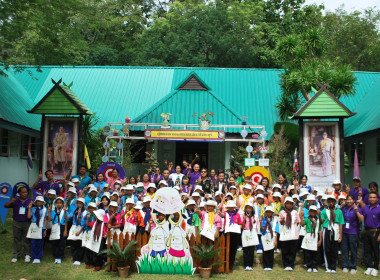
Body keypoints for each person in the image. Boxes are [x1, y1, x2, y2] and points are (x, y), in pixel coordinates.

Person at [5, 186, 33, 263]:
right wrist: (11, 201)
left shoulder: (30, 201)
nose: (25, 194)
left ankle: (27, 254)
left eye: (26, 192)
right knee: (17, 238)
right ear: (19, 193)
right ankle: (16, 255)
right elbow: (5, 205)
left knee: (27, 239)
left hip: (27, 222)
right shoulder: (15, 201)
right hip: (16, 222)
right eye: (23, 192)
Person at [356, 192, 380, 277]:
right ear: (368, 198)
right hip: (366, 232)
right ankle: (369, 266)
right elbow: (361, 217)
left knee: (376, 251)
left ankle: (375, 268)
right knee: (367, 250)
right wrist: (356, 209)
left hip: (376, 232)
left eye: (374, 197)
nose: (372, 199)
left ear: (377, 199)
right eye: (370, 197)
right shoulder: (366, 208)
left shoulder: (379, 208)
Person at [321, 195, 344, 273]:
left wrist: (340, 235)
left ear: (335, 202)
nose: (331, 203)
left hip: (336, 230)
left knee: (334, 249)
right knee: (326, 248)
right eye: (329, 201)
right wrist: (318, 214)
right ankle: (328, 267)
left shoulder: (339, 211)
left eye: (332, 201)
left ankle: (333, 267)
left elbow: (341, 223)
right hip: (327, 229)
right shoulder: (324, 211)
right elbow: (322, 221)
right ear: (327, 202)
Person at [218, 200, 242, 271]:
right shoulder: (225, 213)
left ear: (234, 207)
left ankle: (230, 266)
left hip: (235, 234)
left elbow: (240, 224)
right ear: (227, 207)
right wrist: (221, 201)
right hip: (227, 233)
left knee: (233, 250)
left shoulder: (237, 214)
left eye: (232, 207)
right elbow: (220, 213)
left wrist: (237, 228)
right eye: (229, 207)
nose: (231, 208)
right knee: (225, 249)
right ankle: (225, 265)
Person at [279, 197, 300, 271]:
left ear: (292, 204)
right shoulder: (282, 212)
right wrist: (282, 220)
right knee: (285, 250)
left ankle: (291, 264)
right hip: (285, 233)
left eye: (290, 203)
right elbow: (281, 223)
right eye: (287, 203)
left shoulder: (295, 212)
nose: (288, 205)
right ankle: (286, 264)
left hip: (293, 234)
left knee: (292, 250)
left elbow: (297, 222)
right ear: (285, 204)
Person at [341, 195, 360, 274]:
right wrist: (341, 205)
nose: (349, 201)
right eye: (347, 199)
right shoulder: (344, 209)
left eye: (350, 199)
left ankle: (353, 266)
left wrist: (356, 211)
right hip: (345, 232)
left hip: (353, 232)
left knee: (353, 250)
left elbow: (361, 219)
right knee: (344, 249)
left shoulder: (357, 208)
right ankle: (345, 265)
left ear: (353, 200)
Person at [299, 205, 322, 273]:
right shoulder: (307, 219)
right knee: (308, 252)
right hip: (308, 236)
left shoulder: (317, 220)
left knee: (315, 252)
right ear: (309, 212)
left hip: (315, 236)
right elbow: (302, 224)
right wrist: (302, 216)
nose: (313, 213)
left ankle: (314, 266)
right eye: (311, 211)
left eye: (314, 212)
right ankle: (309, 265)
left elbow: (320, 229)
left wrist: (320, 239)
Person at [27, 196, 48, 264]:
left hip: (41, 226)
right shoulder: (33, 209)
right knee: (33, 242)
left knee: (40, 242)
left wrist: (45, 229)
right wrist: (29, 208)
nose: (39, 202)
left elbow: (45, 219)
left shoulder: (45, 209)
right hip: (34, 226)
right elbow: (29, 216)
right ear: (36, 202)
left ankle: (38, 257)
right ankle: (34, 256)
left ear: (42, 202)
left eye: (41, 201)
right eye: (38, 201)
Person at [66, 197, 87, 266]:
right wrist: (64, 210)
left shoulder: (85, 212)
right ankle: (75, 258)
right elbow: (67, 218)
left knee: (79, 244)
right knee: (73, 243)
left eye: (80, 203)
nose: (79, 204)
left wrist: (80, 215)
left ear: (83, 204)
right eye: (78, 203)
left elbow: (82, 223)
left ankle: (79, 258)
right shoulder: (74, 211)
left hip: (80, 228)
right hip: (74, 227)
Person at [241, 202, 259, 271]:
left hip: (252, 232)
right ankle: (246, 264)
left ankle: (250, 265)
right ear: (245, 209)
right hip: (245, 232)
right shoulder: (243, 216)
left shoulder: (254, 216)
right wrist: (244, 220)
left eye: (250, 208)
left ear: (252, 209)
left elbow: (256, 226)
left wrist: (256, 235)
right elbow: (242, 227)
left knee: (251, 250)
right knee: (245, 250)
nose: (248, 209)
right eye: (247, 208)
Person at [48, 197, 66, 264]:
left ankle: (60, 256)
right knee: (55, 242)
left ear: (62, 204)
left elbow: (66, 220)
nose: (59, 204)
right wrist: (49, 212)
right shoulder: (53, 212)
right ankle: (55, 256)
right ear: (55, 204)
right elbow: (50, 219)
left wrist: (65, 230)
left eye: (60, 203)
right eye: (57, 203)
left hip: (61, 227)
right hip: (55, 227)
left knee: (61, 242)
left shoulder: (64, 211)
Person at [260, 206, 279, 271]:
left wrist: (276, 240)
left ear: (272, 213)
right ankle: (265, 265)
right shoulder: (263, 219)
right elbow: (262, 229)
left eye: (270, 212)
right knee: (265, 251)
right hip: (265, 235)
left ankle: (270, 265)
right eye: (267, 212)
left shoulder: (275, 220)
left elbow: (276, 231)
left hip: (272, 235)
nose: (268, 213)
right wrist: (260, 223)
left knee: (271, 251)